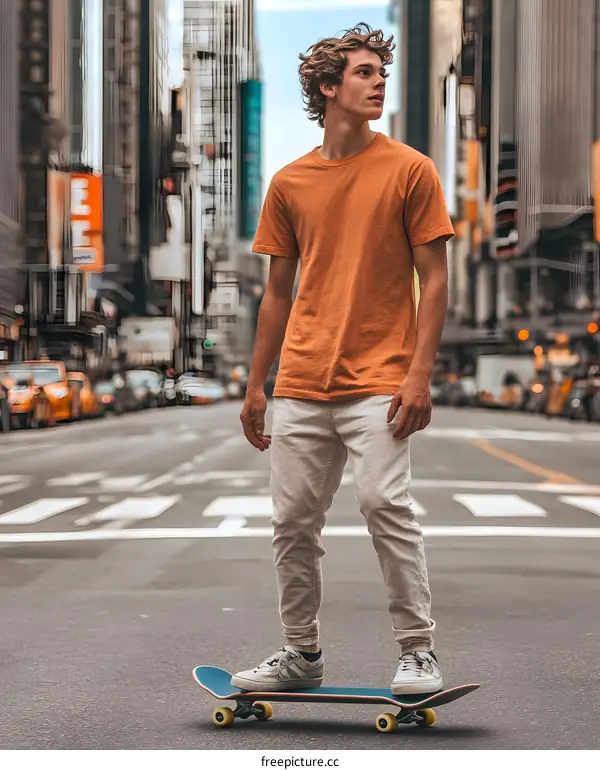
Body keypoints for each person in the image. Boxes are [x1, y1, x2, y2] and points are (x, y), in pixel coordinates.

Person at [234, 23, 454, 695]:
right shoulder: (290, 182)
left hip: (380, 380)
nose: (378, 81)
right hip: (301, 382)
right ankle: (300, 654)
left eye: (380, 72)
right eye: (363, 72)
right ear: (328, 88)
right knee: (291, 524)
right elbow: (277, 293)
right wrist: (255, 386)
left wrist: (419, 374)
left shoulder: (410, 169)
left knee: (386, 504)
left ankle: (418, 651)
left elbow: (436, 278)